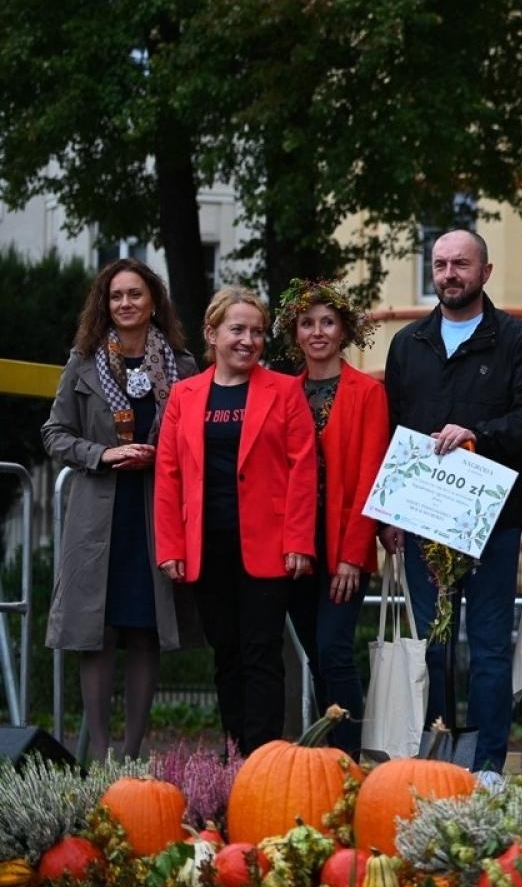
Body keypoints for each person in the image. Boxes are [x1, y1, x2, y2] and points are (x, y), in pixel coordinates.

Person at [381, 229, 522, 775]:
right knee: (432, 649)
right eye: (440, 264)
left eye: (461, 264)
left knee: (489, 649)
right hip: (422, 521)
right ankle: (432, 760)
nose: (450, 274)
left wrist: (475, 432)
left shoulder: (516, 340)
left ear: (485, 271)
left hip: (492, 521)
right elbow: (391, 433)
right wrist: (388, 517)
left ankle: (486, 767)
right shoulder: (408, 344)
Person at [42, 260, 199, 760]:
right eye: (116, 297)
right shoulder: (83, 362)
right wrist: (102, 454)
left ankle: (132, 756)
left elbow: (193, 439)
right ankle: (99, 757)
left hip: (156, 510)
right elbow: (54, 434)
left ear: (154, 300)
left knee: (145, 625)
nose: (126, 304)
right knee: (98, 629)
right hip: (98, 514)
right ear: (105, 305)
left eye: (135, 294)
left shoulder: (182, 365)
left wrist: (166, 455)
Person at [154, 287, 316, 754]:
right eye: (238, 329)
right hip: (207, 546)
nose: (249, 340)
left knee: (262, 655)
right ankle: (234, 756)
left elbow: (302, 469)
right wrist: (170, 547)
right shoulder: (185, 395)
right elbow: (169, 474)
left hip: (268, 546)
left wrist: (299, 541)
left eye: (257, 331)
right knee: (225, 656)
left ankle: (263, 758)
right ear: (212, 333)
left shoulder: (285, 391)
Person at [275, 279, 387, 759]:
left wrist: (353, 556)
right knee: (316, 657)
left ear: (344, 331)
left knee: (335, 648)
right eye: (307, 323)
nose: (317, 331)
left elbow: (370, 476)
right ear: (295, 333)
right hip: (295, 546)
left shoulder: (367, 393)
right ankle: (324, 757)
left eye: (327, 322)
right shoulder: (282, 392)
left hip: (343, 545)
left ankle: (349, 755)